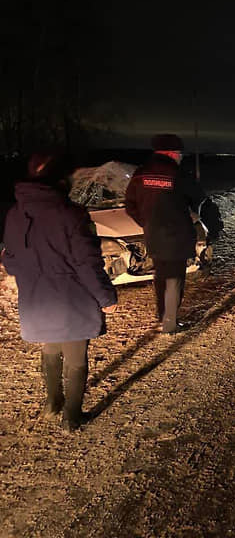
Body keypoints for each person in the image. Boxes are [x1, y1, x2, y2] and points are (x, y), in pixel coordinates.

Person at [1, 151, 117, 432]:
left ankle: (52, 405)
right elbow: (86, 262)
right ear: (59, 179)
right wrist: (106, 297)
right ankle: (72, 417)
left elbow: (9, 258)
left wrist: (31, 275)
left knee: (50, 348)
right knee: (76, 358)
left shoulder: (15, 213)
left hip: (36, 298)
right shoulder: (71, 214)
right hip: (72, 298)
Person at [125, 134, 212, 334]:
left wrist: (147, 222)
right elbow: (200, 200)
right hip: (177, 236)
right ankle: (170, 322)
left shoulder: (140, 174)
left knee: (161, 276)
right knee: (175, 278)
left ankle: (163, 316)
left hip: (153, 235)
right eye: (180, 153)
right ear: (172, 153)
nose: (181, 157)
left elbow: (130, 205)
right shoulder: (178, 174)